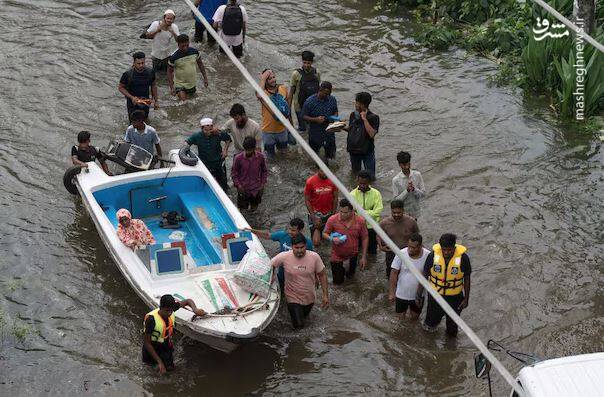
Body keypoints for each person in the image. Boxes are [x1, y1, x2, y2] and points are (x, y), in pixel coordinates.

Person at [416, 233, 471, 337]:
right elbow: (425, 274)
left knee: (452, 327)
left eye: (449, 250)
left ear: (454, 247)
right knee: (429, 326)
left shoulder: (463, 258)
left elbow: (467, 278)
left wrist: (466, 299)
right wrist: (419, 294)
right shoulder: (432, 256)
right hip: (435, 296)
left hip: (455, 297)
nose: (446, 252)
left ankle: (450, 348)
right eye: (444, 249)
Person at [269, 235, 329, 330]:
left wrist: (325, 295)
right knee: (299, 326)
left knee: (305, 317)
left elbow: (322, 275)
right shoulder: (284, 256)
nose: (300, 250)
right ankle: (300, 344)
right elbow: (270, 265)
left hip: (309, 296)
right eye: (296, 248)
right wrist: (271, 276)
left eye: (302, 247)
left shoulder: (314, 257)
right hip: (292, 296)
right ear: (292, 246)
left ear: (306, 246)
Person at [143, 294, 206, 374]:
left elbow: (188, 301)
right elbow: (147, 343)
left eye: (171, 310)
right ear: (161, 308)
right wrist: (160, 362)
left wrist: (195, 310)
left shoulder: (172, 308)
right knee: (151, 371)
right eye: (167, 311)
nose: (169, 313)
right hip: (152, 347)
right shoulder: (151, 320)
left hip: (165, 345)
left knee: (170, 370)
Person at [246, 218, 314, 292]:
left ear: (300, 230)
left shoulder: (308, 243)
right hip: (282, 274)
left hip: (297, 276)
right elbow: (267, 235)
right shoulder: (283, 235)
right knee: (282, 292)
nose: (290, 232)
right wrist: (252, 230)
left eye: (293, 230)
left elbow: (310, 261)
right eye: (290, 229)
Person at [322, 199, 368, 285]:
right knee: (338, 282)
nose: (342, 214)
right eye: (341, 211)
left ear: (352, 211)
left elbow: (365, 238)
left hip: (353, 255)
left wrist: (364, 257)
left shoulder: (360, 221)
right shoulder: (332, 219)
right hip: (336, 255)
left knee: (351, 278)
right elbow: (324, 233)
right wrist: (332, 239)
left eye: (346, 212)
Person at [388, 233, 429, 320]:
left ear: (420, 246)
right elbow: (394, 272)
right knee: (399, 320)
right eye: (409, 246)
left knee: (414, 320)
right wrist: (392, 292)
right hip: (401, 294)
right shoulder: (401, 253)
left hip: (418, 295)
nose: (410, 249)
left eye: (413, 247)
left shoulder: (428, 256)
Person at [186, 118, 231, 191]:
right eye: (206, 130)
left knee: (223, 182)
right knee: (207, 183)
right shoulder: (197, 136)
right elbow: (187, 143)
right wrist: (186, 151)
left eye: (210, 130)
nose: (208, 132)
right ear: (201, 129)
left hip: (219, 162)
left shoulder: (217, 134)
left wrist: (225, 150)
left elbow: (228, 139)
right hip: (205, 163)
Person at [377, 199, 419, 278]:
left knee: (408, 276)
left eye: (399, 212)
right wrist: (380, 246)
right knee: (391, 276)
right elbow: (378, 234)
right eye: (394, 213)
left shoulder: (411, 222)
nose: (396, 215)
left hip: (408, 253)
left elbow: (417, 237)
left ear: (403, 210)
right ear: (391, 211)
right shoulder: (384, 223)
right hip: (391, 254)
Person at [256, 69, 291, 157]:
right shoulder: (263, 93)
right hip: (268, 131)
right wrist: (263, 78)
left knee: (284, 154)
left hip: (282, 129)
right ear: (265, 81)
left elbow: (288, 108)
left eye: (274, 77)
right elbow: (258, 95)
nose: (273, 80)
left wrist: (291, 125)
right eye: (269, 79)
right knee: (270, 157)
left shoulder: (282, 88)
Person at [345, 92, 379, 180]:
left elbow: (372, 134)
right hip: (354, 150)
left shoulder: (373, 117)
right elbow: (351, 130)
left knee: (370, 177)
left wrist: (364, 119)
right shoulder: (353, 115)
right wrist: (340, 127)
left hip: (367, 151)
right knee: (356, 175)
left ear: (362, 105)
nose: (355, 105)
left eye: (357, 103)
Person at [349, 170, 383, 255]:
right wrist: (370, 212)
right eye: (360, 183)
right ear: (357, 181)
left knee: (372, 253)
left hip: (372, 227)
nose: (362, 186)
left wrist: (360, 212)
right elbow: (350, 213)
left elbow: (378, 211)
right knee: (356, 251)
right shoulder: (352, 194)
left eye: (365, 183)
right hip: (357, 228)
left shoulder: (376, 194)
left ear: (369, 182)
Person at [302, 81, 339, 160]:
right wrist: (315, 119)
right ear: (320, 90)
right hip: (315, 133)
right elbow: (303, 116)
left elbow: (335, 110)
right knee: (315, 157)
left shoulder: (332, 99)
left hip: (329, 133)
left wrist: (335, 118)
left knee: (331, 157)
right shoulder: (309, 102)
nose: (327, 96)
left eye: (329, 94)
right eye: (325, 93)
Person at [304, 164, 338, 247]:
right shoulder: (310, 182)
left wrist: (333, 215)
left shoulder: (333, 180)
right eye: (322, 171)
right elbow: (307, 200)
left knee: (328, 238)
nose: (324, 173)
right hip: (316, 213)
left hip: (329, 212)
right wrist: (313, 217)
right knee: (316, 243)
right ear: (317, 170)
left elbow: (335, 198)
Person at [118, 52, 158, 121]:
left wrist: (156, 101)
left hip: (145, 100)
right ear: (134, 63)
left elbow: (153, 85)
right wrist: (131, 97)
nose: (141, 65)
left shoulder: (150, 72)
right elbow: (121, 87)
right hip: (132, 102)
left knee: (145, 122)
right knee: (134, 123)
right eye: (138, 63)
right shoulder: (128, 74)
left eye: (143, 63)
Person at [231, 136, 268, 210]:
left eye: (249, 150)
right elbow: (234, 174)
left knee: (254, 209)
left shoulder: (260, 157)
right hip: (243, 189)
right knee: (242, 211)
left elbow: (264, 171)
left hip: (256, 189)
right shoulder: (238, 158)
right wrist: (238, 185)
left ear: (254, 148)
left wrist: (262, 184)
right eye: (246, 150)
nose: (247, 152)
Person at [168, 34, 209, 101]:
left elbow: (200, 64)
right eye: (182, 46)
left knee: (193, 103)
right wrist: (172, 87)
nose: (185, 48)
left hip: (191, 84)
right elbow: (169, 72)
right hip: (180, 85)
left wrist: (205, 78)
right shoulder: (174, 57)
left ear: (189, 42)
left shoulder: (195, 52)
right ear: (178, 44)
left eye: (187, 45)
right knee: (184, 102)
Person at [288, 50, 320, 132]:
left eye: (308, 63)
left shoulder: (316, 73)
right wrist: (289, 107)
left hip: (312, 105)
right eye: (304, 62)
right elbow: (291, 92)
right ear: (302, 61)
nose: (306, 65)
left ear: (312, 62)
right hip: (299, 105)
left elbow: (319, 89)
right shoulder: (296, 74)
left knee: (313, 127)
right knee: (303, 128)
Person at [392, 151, 426, 220]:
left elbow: (423, 194)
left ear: (410, 163)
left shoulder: (417, 175)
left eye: (408, 164)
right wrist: (406, 191)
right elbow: (395, 201)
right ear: (400, 165)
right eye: (404, 165)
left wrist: (414, 189)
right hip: (402, 214)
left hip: (415, 212)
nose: (407, 167)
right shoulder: (396, 180)